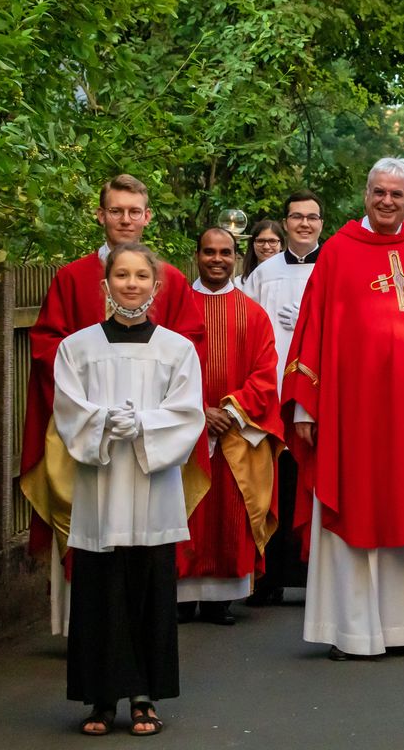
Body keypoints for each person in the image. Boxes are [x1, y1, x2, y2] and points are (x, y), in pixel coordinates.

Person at [281, 158, 404, 660]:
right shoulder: (338, 252)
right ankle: (353, 631)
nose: (388, 201)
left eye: (398, 195)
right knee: (355, 507)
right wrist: (306, 408)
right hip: (352, 417)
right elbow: (313, 329)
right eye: (379, 192)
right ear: (366, 194)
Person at [20, 174, 205, 637]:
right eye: (116, 210)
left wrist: (150, 417)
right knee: (91, 538)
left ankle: (143, 652)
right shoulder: (71, 277)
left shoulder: (172, 279)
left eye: (134, 210)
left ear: (147, 216)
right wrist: (87, 408)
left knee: (147, 550)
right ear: (101, 215)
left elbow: (190, 344)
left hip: (152, 443)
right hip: (85, 435)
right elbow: (47, 345)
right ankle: (82, 638)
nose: (126, 219)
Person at [53, 243, 205, 736]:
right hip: (99, 488)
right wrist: (102, 421)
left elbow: (187, 415)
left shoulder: (177, 349)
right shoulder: (76, 348)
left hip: (152, 485)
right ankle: (100, 699)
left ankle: (144, 696)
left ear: (156, 286)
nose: (132, 284)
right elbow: (69, 411)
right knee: (99, 590)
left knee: (148, 591)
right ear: (106, 285)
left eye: (142, 275)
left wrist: (142, 423)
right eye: (121, 275)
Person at [176, 228, 283, 625]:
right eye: (208, 251)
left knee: (231, 511)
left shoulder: (253, 312)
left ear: (237, 258)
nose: (216, 259)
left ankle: (222, 600)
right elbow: (163, 369)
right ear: (197, 255)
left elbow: (264, 372)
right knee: (187, 511)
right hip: (186, 430)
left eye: (225, 252)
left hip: (237, 431)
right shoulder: (176, 309)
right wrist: (200, 411)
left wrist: (231, 412)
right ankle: (182, 598)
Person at [242, 190, 323, 606]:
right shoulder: (263, 274)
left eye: (312, 217)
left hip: (320, 395)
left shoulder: (334, 267)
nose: (304, 224)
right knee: (274, 486)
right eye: (296, 217)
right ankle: (269, 577)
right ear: (285, 222)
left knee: (315, 484)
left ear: (321, 224)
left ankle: (318, 577)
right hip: (274, 393)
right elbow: (248, 331)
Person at [237, 219, 286, 292]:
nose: (266, 247)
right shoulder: (239, 284)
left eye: (272, 241)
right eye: (260, 241)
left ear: (281, 245)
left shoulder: (289, 280)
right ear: (252, 244)